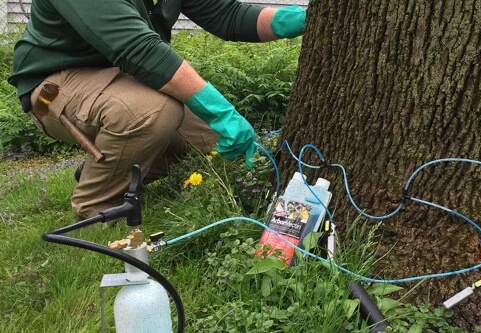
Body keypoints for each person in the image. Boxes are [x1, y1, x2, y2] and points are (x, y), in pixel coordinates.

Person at [8, 0, 306, 219]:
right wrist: (221, 113)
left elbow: (228, 15)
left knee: (212, 146)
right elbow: (138, 49)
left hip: (124, 77)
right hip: (56, 85)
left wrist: (305, 20)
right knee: (153, 113)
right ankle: (95, 208)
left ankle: (104, 170)